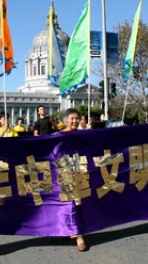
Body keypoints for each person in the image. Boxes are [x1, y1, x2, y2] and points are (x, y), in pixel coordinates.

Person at [61, 108, 87, 251]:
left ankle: (77, 234)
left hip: (81, 172)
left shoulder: (82, 134)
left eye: (77, 118)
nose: (75, 121)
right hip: (64, 173)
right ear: (66, 120)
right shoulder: (59, 136)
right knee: (69, 203)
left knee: (77, 203)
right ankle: (74, 233)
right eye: (72, 118)